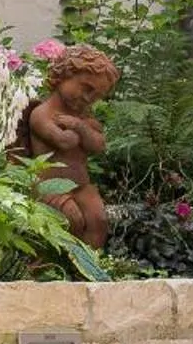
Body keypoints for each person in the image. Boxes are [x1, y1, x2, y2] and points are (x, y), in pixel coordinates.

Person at [10, 45, 121, 246]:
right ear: (65, 75)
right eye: (86, 88)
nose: (89, 98)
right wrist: (83, 130)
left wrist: (79, 126)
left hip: (81, 185)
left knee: (99, 220)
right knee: (72, 220)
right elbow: (64, 141)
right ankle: (55, 265)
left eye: (96, 96)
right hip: (49, 187)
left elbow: (99, 145)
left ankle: (90, 265)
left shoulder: (81, 118)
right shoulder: (41, 114)